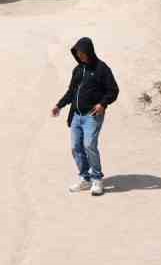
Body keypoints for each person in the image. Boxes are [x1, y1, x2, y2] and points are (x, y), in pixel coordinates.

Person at [50, 36, 119, 196]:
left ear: (89, 51)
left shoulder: (102, 69)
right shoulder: (78, 70)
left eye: (81, 52)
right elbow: (71, 92)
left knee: (89, 145)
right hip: (76, 115)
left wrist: (103, 104)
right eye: (77, 52)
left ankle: (97, 180)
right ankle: (85, 178)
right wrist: (59, 105)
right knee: (76, 148)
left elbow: (113, 90)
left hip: (92, 115)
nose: (79, 55)